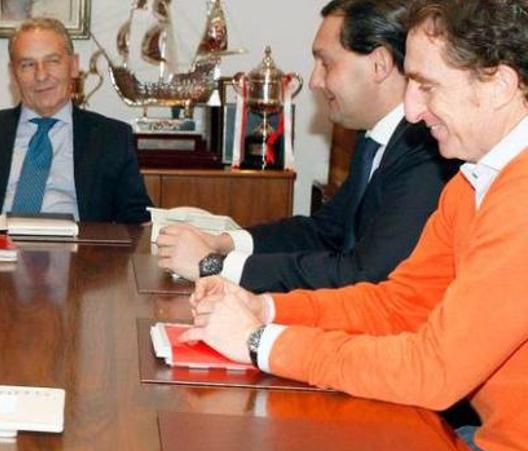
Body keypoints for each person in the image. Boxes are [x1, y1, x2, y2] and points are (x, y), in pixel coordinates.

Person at [184, 0, 528, 451]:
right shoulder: (472, 184)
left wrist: (262, 344)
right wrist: (266, 310)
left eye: (427, 86)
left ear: (498, 85)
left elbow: (433, 372)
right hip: (490, 447)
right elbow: (398, 304)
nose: (411, 109)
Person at [155, 0, 458, 292]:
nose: (314, 81)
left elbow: (365, 274)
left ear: (379, 64)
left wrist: (216, 265)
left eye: (326, 63)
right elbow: (324, 232)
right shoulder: (375, 140)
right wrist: (225, 242)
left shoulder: (426, 152)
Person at [0, 17, 152, 224]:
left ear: (73, 66)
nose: (41, 75)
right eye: (27, 64)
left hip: (79, 260)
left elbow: (137, 219)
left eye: (52, 61)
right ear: (13, 73)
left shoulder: (111, 137)